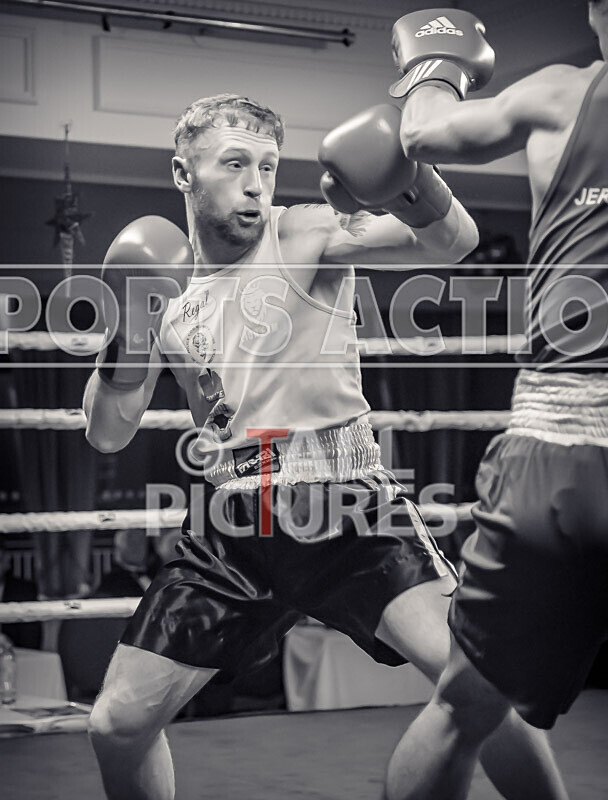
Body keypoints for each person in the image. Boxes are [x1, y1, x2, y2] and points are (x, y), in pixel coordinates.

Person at [82, 93, 566, 800]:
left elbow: (451, 242)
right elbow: (107, 431)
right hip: (230, 523)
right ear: (184, 173)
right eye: (235, 164)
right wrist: (127, 332)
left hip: (343, 504)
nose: (256, 184)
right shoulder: (166, 290)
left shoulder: (303, 232)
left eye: (268, 166)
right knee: (115, 725)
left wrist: (411, 179)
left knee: (479, 682)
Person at [381, 3, 608, 798]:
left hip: (562, 457)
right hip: (561, 447)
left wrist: (435, 62)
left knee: (464, 705)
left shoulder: (562, 96)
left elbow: (421, 133)